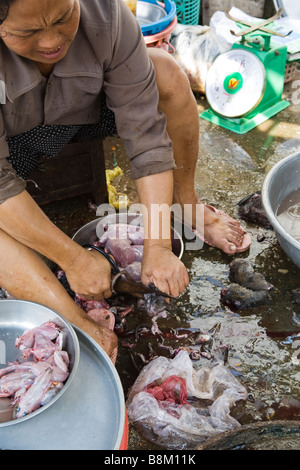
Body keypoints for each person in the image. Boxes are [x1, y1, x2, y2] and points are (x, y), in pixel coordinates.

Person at [0, 0, 251, 357]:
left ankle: (188, 205)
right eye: (28, 32)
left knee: (164, 70)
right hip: (12, 139)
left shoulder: (107, 15)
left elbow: (146, 135)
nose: (51, 41)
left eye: (63, 18)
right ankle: (78, 324)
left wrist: (160, 245)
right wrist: (73, 259)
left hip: (80, 113)